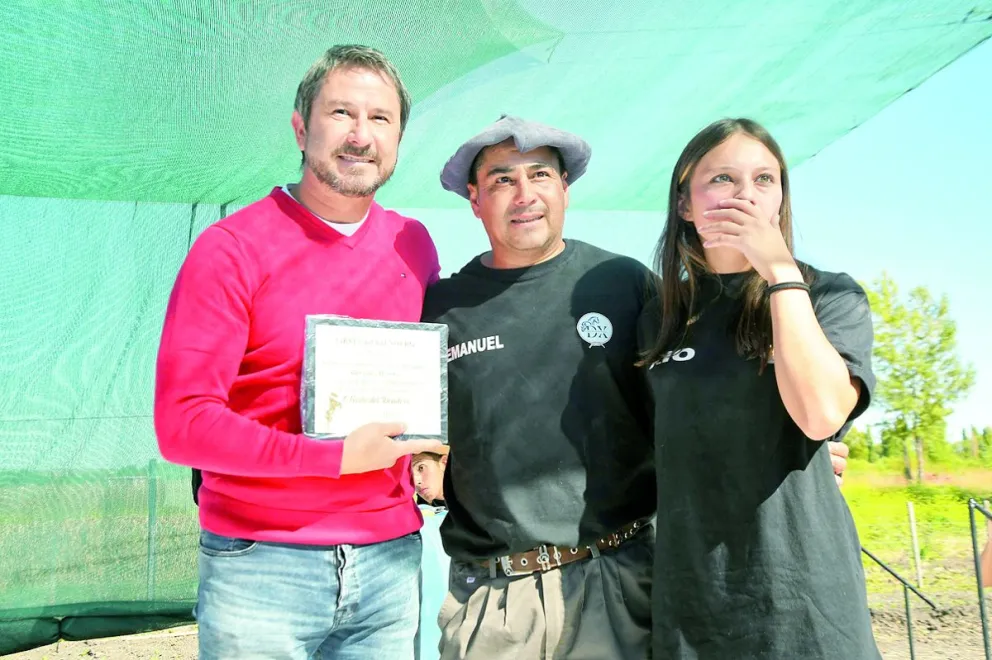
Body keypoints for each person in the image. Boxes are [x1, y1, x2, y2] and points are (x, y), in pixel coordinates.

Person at [421, 115, 851, 659]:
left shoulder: (627, 286)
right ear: (474, 198)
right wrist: (430, 455)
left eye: (540, 175)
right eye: (503, 179)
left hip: (619, 580)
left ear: (565, 190)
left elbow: (693, 393)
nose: (524, 194)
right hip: (497, 603)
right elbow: (421, 427)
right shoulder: (440, 308)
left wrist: (795, 444)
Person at [154, 44, 443, 660]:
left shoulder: (412, 245)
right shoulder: (231, 248)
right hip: (261, 562)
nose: (360, 135)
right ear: (300, 127)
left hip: (390, 562)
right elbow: (183, 425)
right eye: (341, 113)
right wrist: (332, 459)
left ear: (398, 137)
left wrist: (432, 455)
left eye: (381, 118)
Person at [638, 117, 880, 659]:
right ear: (684, 204)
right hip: (692, 602)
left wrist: (778, 272)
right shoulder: (659, 315)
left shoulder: (829, 297)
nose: (746, 195)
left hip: (806, 602)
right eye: (722, 179)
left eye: (765, 180)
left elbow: (820, 416)